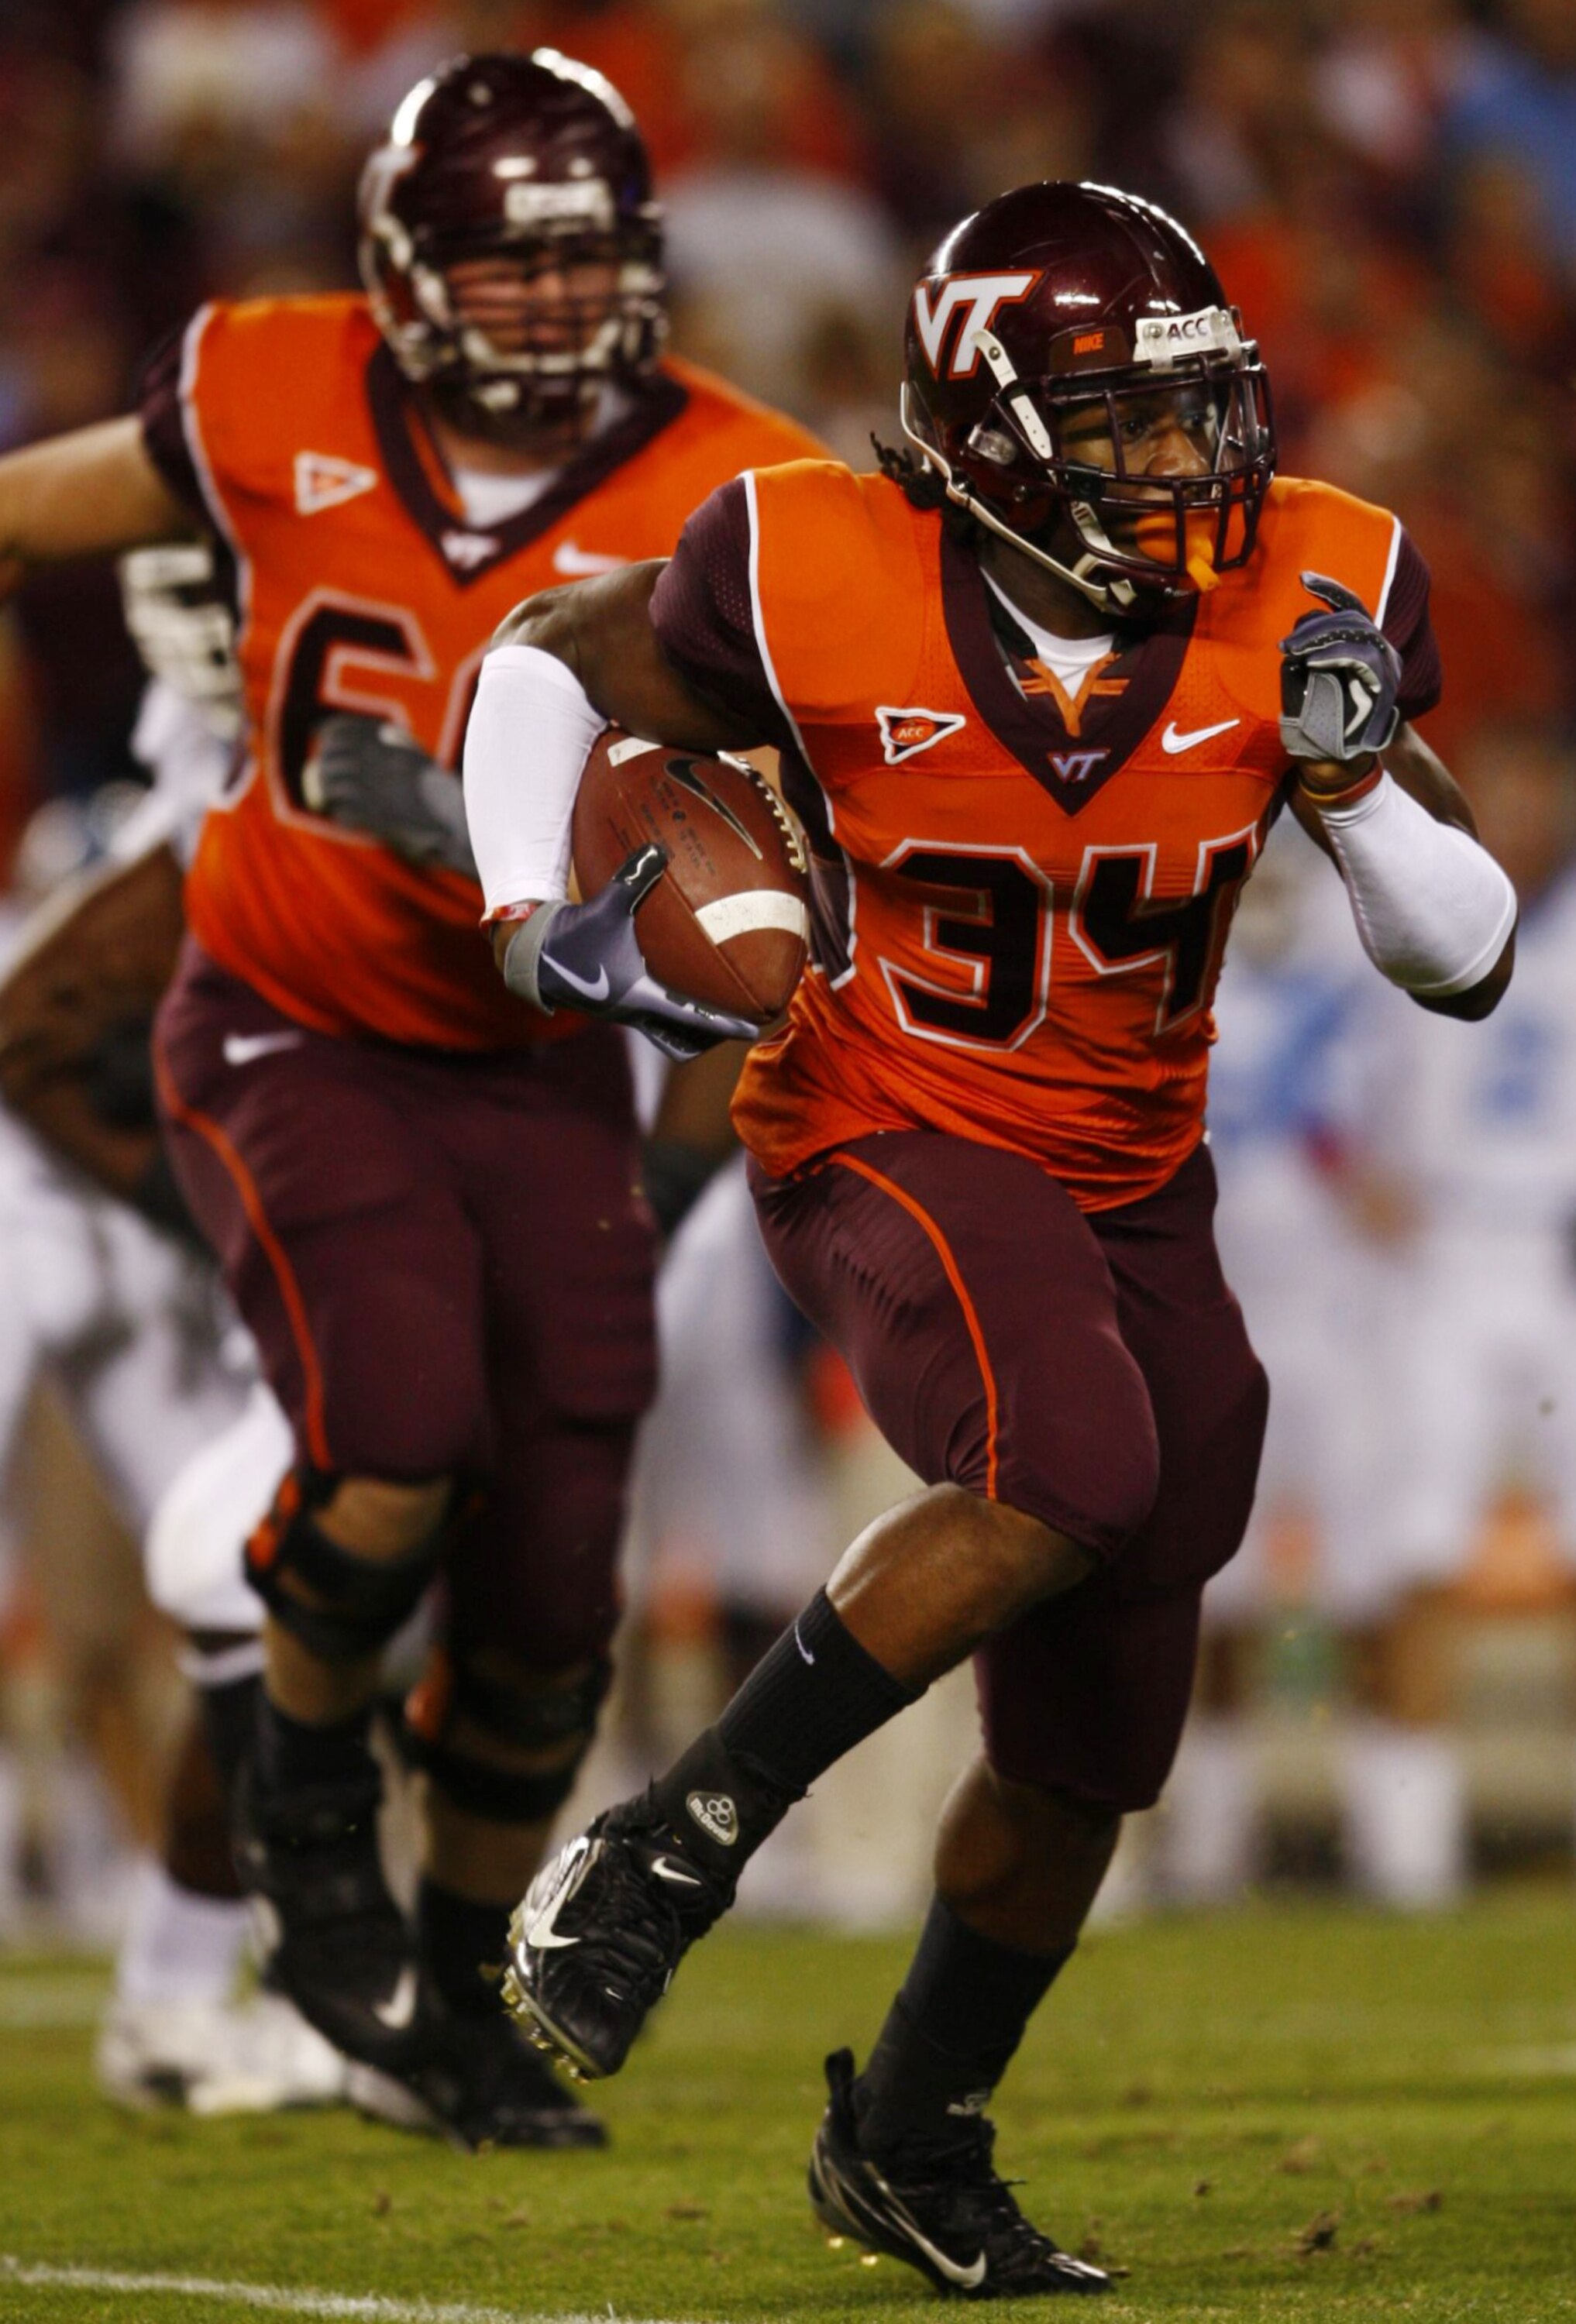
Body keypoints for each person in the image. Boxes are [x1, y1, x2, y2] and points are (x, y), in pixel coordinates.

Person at [460, 180, 1517, 2294]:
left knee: (1090, 1740)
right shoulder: (804, 560)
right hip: (881, 1123)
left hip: (1139, 1173)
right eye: (1126, 421)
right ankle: (662, 1852)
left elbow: (1467, 957)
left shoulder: (1311, 578)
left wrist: (1353, 787)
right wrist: (518, 912)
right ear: (991, 425)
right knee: (1066, 1460)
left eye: (1193, 412)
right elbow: (533, 669)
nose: (1184, 461)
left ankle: (912, 2138)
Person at [0, 47, 821, 2150]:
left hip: (548, 1069)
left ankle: (447, 2008)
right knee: (395, 1434)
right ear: (398, 266)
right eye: (499, 265)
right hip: (292, 1015)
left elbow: (843, 807)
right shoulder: (271, 390)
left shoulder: (739, 492)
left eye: (580, 265)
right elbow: (20, 511)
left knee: (556, 1571)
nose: (547, 306)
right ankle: (298, 1838)